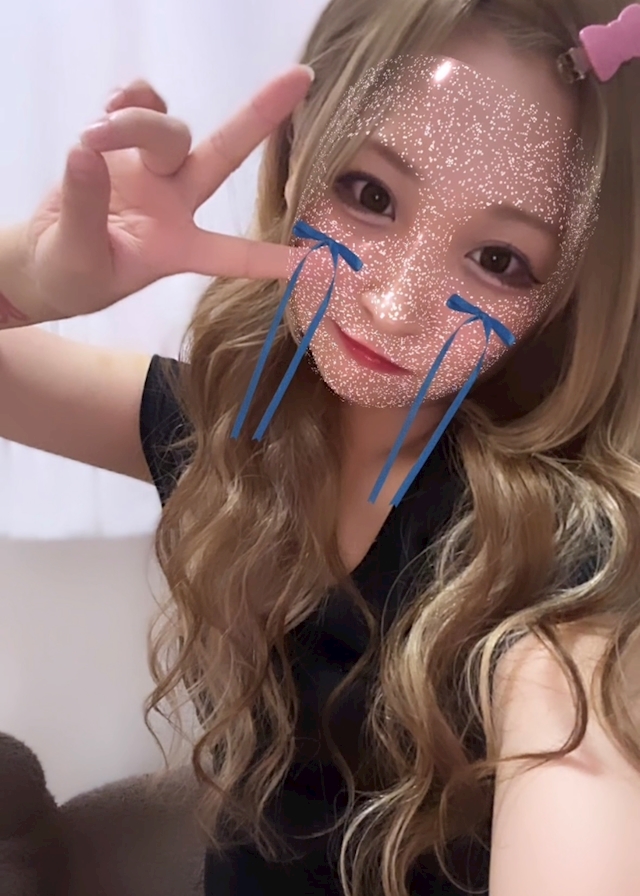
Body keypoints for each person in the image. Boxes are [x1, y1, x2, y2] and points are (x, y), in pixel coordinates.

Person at [2, 0, 640, 893]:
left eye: (498, 260)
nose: (393, 304)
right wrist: (26, 277)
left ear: (564, 297)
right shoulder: (238, 426)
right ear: (298, 150)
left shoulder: (563, 587)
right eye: (370, 195)